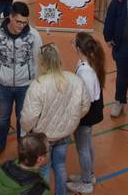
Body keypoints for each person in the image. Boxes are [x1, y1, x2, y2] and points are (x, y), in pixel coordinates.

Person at [20, 43, 90, 195]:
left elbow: (28, 117)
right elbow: (85, 105)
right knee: (60, 166)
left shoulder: (38, 85)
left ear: (42, 62)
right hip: (64, 134)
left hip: (42, 137)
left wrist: (27, 130)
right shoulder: (74, 79)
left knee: (43, 168)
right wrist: (71, 121)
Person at [0, 2, 42, 161]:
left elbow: (38, 59)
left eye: (25, 22)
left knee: (23, 119)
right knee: (3, 117)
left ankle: (23, 149)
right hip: (3, 86)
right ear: (10, 17)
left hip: (26, 86)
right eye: (18, 21)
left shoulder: (34, 36)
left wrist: (35, 82)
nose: (22, 25)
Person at [66, 33, 106, 194]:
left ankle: (86, 183)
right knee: (87, 144)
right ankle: (88, 174)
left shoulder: (86, 72)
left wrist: (76, 117)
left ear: (78, 48)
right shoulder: (86, 62)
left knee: (83, 147)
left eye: (73, 42)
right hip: (90, 110)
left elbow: (86, 99)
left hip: (87, 113)